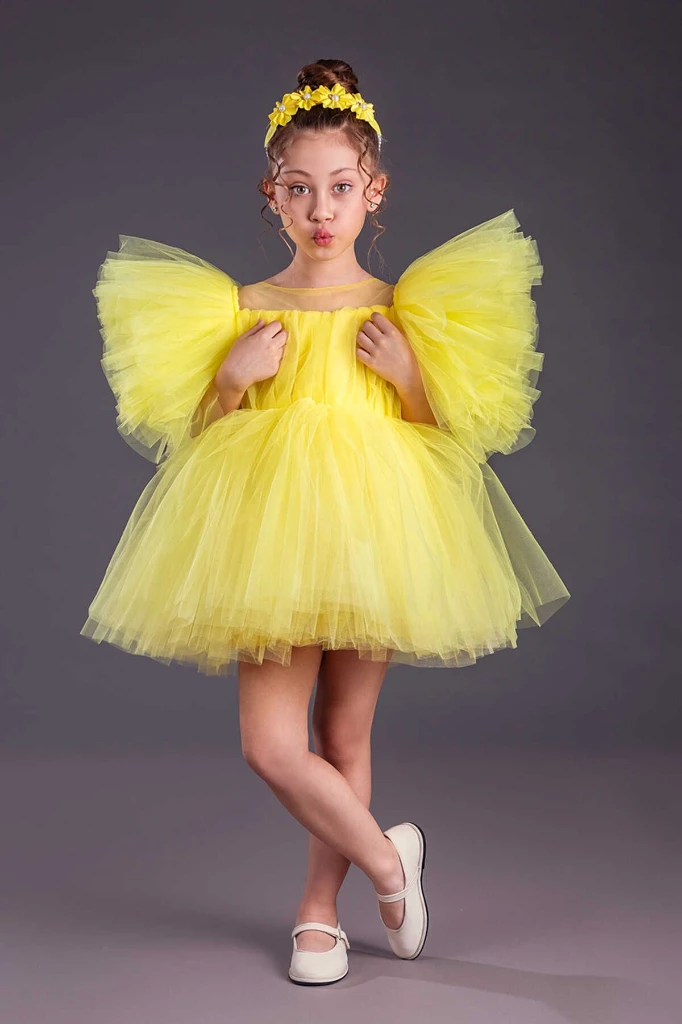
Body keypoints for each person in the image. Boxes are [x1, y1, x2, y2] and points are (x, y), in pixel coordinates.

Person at [81, 58, 570, 985]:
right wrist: (228, 384)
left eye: (341, 188)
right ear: (271, 194)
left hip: (374, 530)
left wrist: (411, 379)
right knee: (271, 745)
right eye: (299, 188)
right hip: (271, 537)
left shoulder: (402, 310)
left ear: (373, 191)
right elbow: (193, 444)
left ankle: (318, 916)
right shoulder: (240, 308)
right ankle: (390, 864)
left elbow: (448, 440)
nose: (320, 209)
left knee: (343, 737)